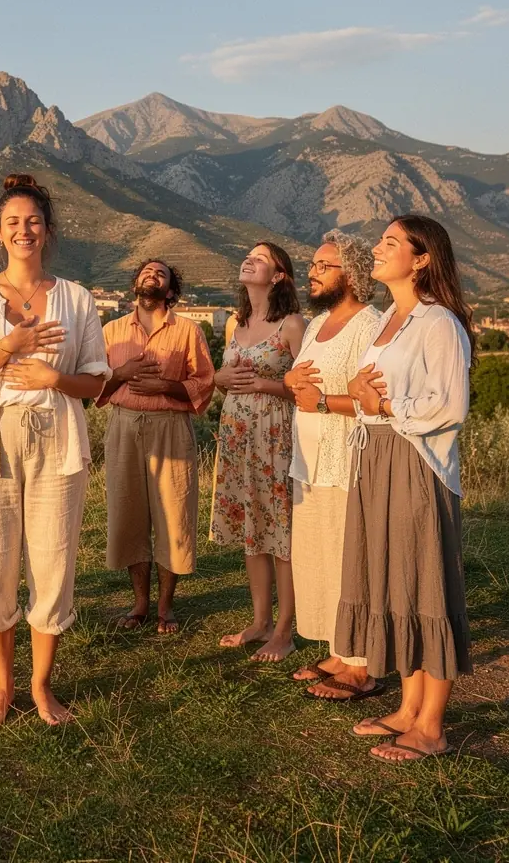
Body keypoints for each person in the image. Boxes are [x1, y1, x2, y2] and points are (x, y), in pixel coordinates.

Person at [0, 174, 110, 728]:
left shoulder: (78, 298)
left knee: (54, 561)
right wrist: (7, 346)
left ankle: (40, 685)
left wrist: (52, 377)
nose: (23, 230)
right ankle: (2, 686)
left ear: (48, 231)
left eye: (33, 221)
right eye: (13, 222)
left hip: (57, 444)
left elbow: (97, 385)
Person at [336, 216, 473, 763]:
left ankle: (432, 727)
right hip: (376, 457)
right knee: (395, 582)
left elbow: (450, 407)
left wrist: (384, 406)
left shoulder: (439, 323)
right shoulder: (389, 319)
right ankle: (408, 709)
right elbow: (367, 389)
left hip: (416, 463)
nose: (376, 248)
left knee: (425, 582)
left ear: (421, 259)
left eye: (390, 242)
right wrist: (357, 389)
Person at [283, 231, 381, 699]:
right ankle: (338, 649)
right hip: (310, 461)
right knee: (317, 555)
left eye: (324, 266)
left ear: (353, 273)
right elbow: (298, 383)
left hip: (348, 459)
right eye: (314, 265)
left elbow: (375, 400)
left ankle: (363, 666)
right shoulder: (318, 323)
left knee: (350, 560)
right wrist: (288, 379)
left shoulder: (370, 325)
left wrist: (322, 403)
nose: (313, 272)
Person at [97, 260, 214, 634]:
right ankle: (139, 604)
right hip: (123, 427)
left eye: (160, 274)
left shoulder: (188, 331)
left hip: (171, 428)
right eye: (147, 271)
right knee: (129, 514)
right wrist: (123, 374)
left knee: (173, 514)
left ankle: (166, 607)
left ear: (170, 290)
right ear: (135, 284)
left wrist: (165, 386)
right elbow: (94, 385)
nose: (153, 275)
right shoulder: (111, 331)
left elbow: (205, 382)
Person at [210, 242, 305, 662]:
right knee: (253, 529)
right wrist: (220, 376)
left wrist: (267, 385)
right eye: (248, 255)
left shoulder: (293, 325)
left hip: (274, 434)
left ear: (279, 275)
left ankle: (285, 630)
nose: (249, 260)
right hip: (236, 434)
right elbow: (220, 376)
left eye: (261, 258)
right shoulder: (236, 322)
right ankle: (260, 621)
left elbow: (306, 391)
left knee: (279, 531)